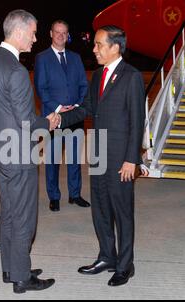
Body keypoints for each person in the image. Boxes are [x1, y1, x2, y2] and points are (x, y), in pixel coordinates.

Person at [58, 25, 146, 286]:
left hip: (121, 159)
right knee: (101, 210)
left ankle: (125, 264)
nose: (94, 49)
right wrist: (58, 119)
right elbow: (86, 109)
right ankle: (107, 256)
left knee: (122, 212)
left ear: (115, 47)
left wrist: (133, 159)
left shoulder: (131, 77)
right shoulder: (97, 75)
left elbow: (137, 121)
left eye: (99, 45)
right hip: (98, 155)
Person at [0, 9, 59, 293]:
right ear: (20, 31)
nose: (36, 38)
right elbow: (27, 122)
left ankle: (11, 268)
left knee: (10, 214)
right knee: (24, 216)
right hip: (17, 153)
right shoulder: (16, 70)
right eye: (34, 32)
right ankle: (23, 279)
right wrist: (48, 122)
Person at [34, 20, 90, 212]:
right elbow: (41, 89)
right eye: (57, 32)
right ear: (50, 33)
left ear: (67, 35)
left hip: (74, 116)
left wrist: (75, 106)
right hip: (54, 117)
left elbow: (83, 84)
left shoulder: (75, 58)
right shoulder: (42, 58)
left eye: (64, 33)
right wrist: (58, 108)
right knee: (53, 158)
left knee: (75, 157)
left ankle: (75, 194)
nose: (60, 36)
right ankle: (54, 196)